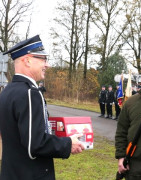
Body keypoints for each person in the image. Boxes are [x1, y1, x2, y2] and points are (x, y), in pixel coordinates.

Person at [0, 35, 84, 179]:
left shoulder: (7, 91)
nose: (47, 65)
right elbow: (36, 144)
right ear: (27, 60)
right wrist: (68, 143)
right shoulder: (30, 93)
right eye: (43, 59)